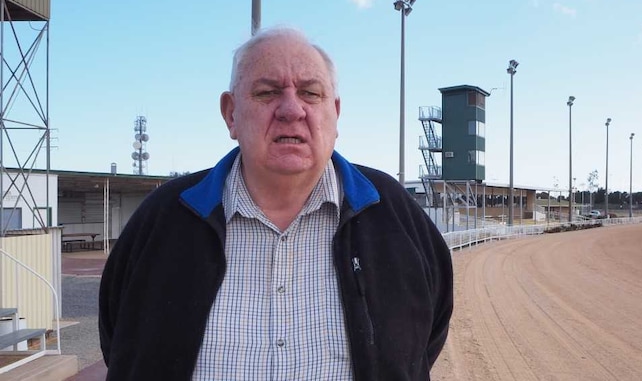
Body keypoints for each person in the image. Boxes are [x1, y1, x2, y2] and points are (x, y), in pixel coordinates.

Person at [99, 27, 453, 380]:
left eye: (310, 93)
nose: (290, 109)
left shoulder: (393, 214)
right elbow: (121, 339)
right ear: (231, 113)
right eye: (267, 93)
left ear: (335, 112)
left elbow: (426, 334)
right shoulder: (165, 218)